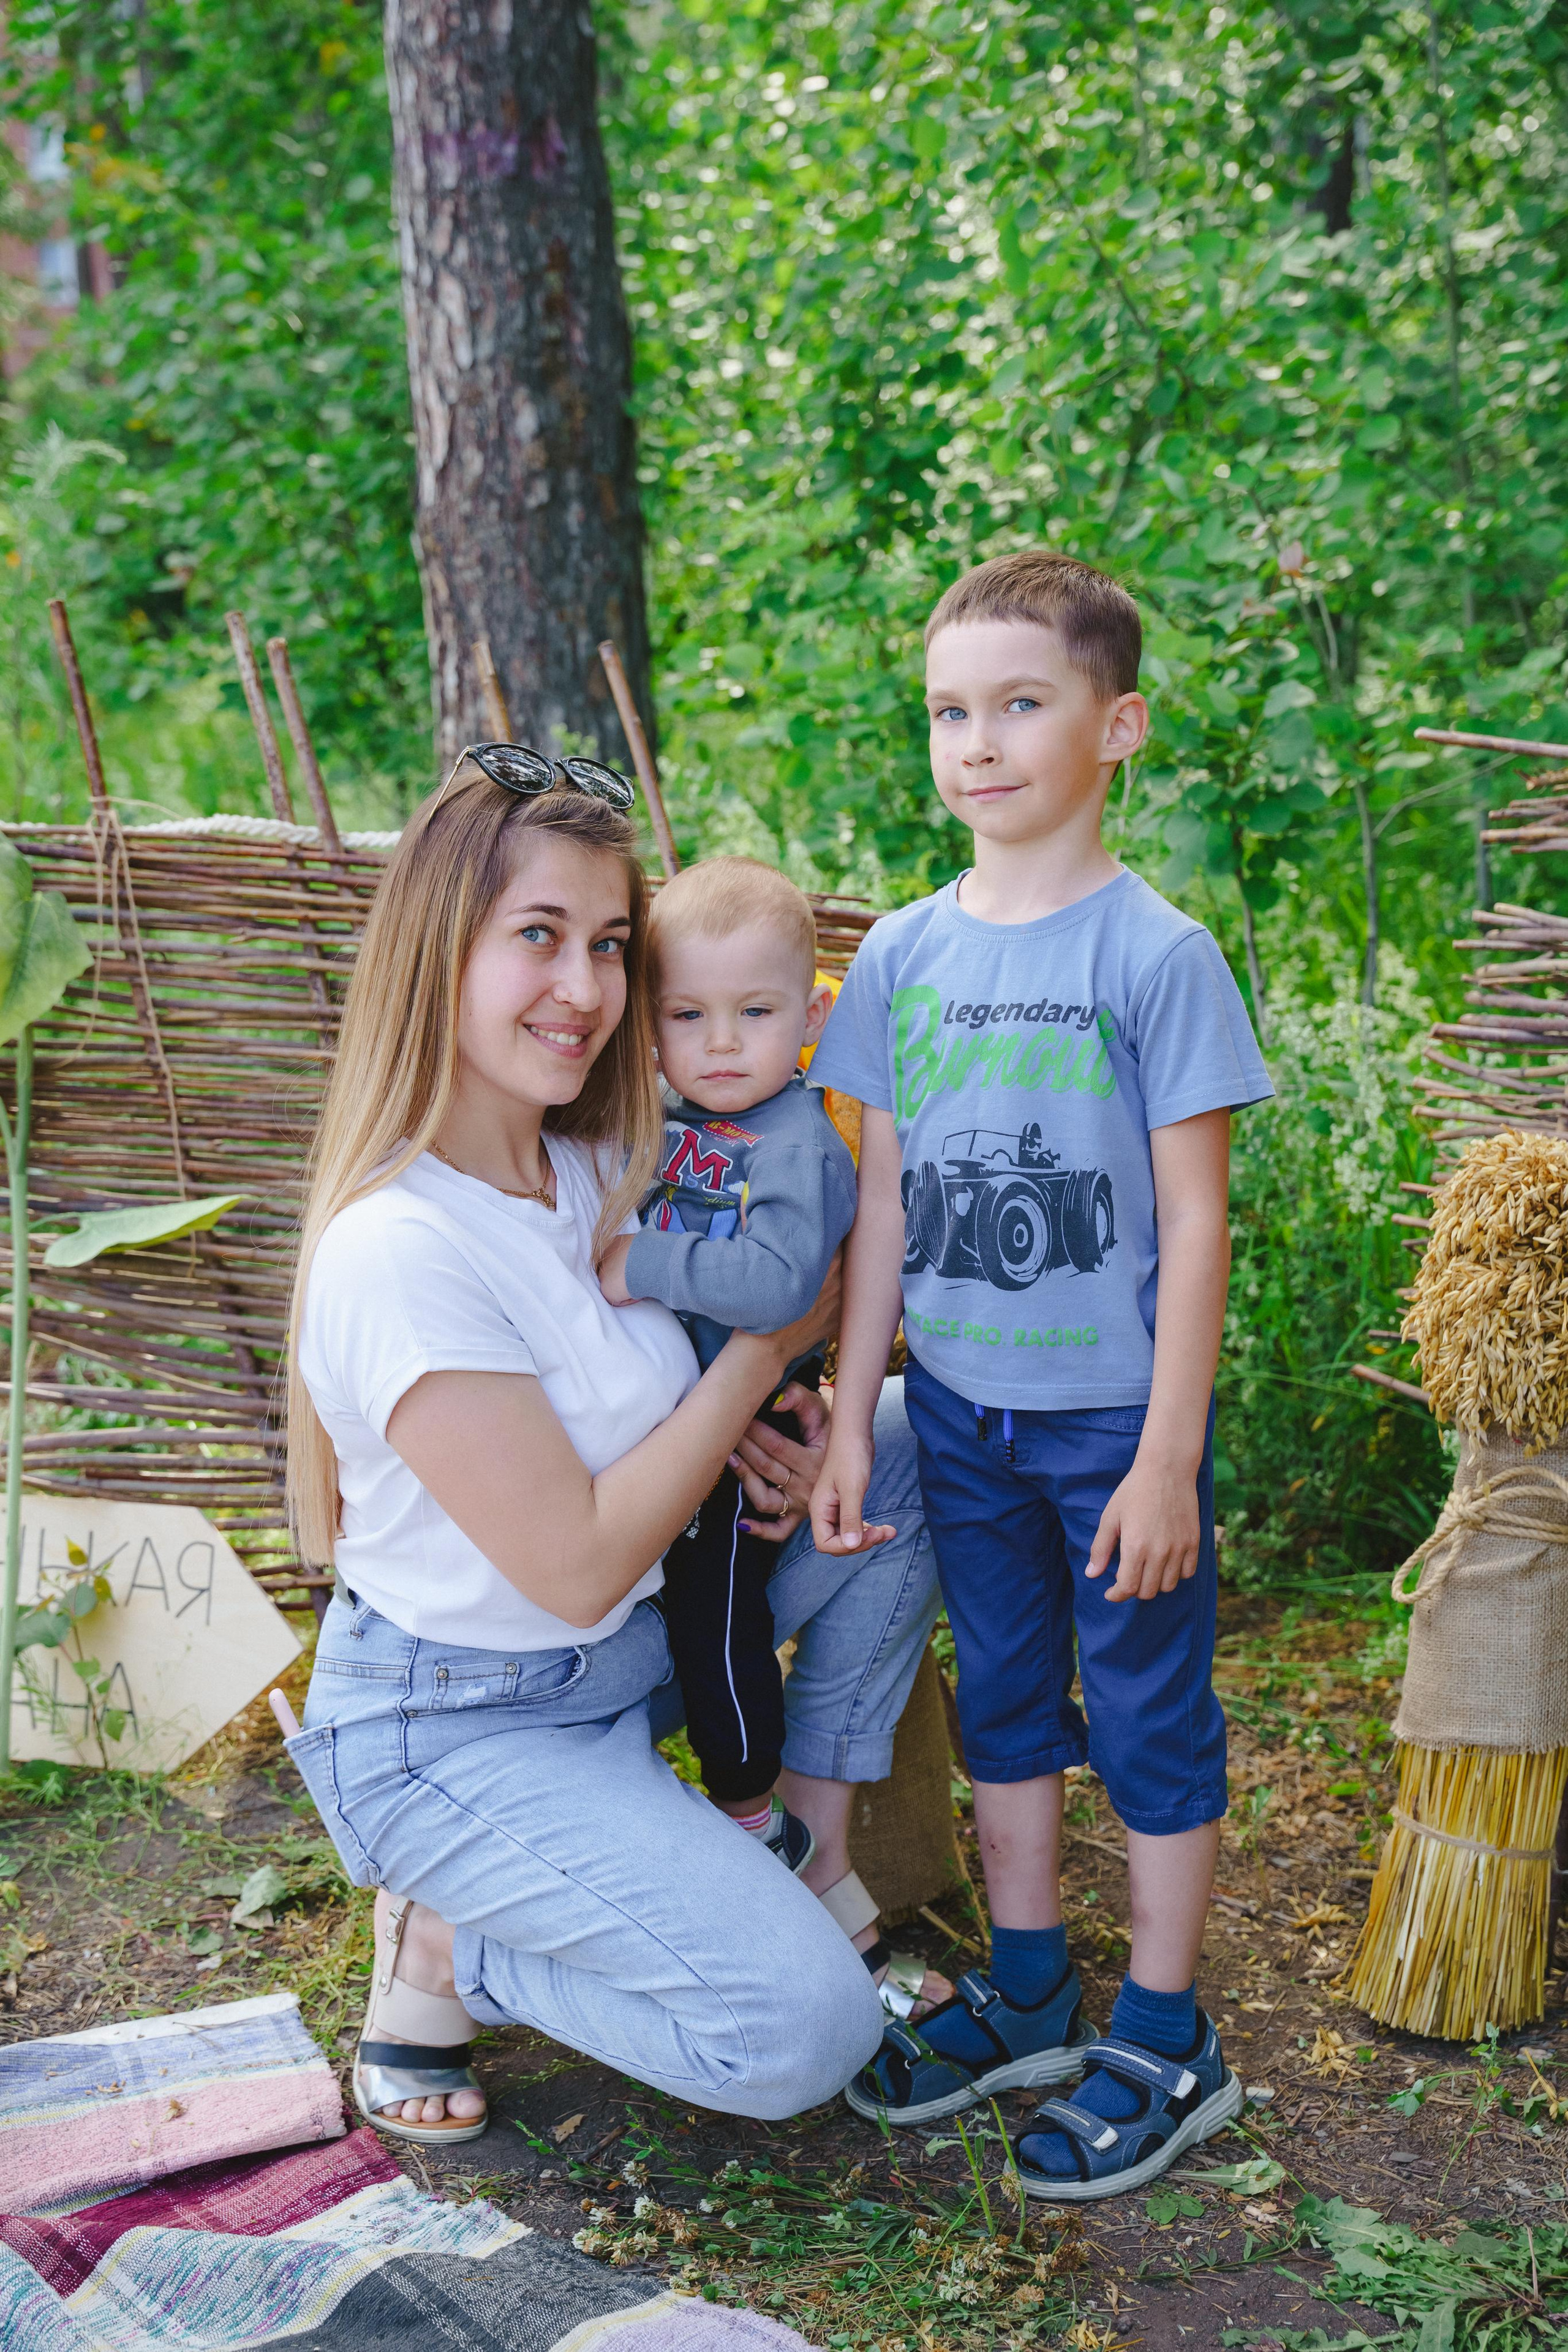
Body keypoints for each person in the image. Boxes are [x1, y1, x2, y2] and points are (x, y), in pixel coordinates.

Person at [284, 749, 942, 2147]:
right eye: (537, 938)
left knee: (904, 1451)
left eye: (604, 947)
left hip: (646, 1655)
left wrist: (768, 1430)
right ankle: (458, 1942)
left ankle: (803, 1850)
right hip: (466, 1721)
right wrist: (766, 1351)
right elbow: (576, 1562)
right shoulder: (398, 1249)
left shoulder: (594, 1163)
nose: (582, 990)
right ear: (436, 950)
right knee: (802, 2032)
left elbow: (663, 1396)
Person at [809, 550, 1274, 2199]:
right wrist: (865, 1416)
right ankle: (1028, 1995)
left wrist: (1165, 1458)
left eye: (1021, 703)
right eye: (951, 711)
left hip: (1110, 1425)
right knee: (1002, 1692)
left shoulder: (1157, 956)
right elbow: (880, 1202)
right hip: (960, 1409)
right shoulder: (900, 957)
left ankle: (1164, 2033)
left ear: (1118, 725)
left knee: (1145, 1702)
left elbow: (1198, 1225)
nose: (979, 742)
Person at [598, 857, 854, 1874]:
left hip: (756, 1429)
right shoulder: (673, 1122)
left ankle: (749, 1805)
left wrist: (644, 1264)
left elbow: (780, 1287)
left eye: (754, 1013)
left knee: (718, 1611)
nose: (719, 1044)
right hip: (686, 1420)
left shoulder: (797, 1143)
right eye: (688, 1015)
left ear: (811, 1015)